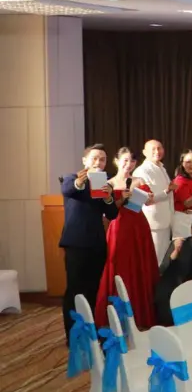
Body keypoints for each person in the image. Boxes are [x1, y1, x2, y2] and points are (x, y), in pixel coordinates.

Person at [95, 146, 160, 328]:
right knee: (119, 264)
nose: (128, 164)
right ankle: (116, 313)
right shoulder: (108, 183)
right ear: (116, 161)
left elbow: (149, 201)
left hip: (138, 226)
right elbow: (105, 210)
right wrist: (122, 199)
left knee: (140, 265)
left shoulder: (139, 180)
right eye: (125, 160)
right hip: (118, 226)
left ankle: (141, 312)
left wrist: (148, 197)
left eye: (132, 161)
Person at [62, 144, 119, 336]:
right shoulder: (72, 178)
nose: (98, 162)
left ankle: (90, 330)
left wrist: (109, 197)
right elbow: (68, 190)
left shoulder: (104, 184)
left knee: (93, 289)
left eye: (102, 159)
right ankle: (73, 334)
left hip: (97, 244)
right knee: (75, 289)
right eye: (94, 158)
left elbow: (112, 214)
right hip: (76, 243)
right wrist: (79, 182)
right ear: (84, 160)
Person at [134, 139, 173, 261]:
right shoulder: (142, 171)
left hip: (165, 220)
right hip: (153, 223)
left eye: (159, 148)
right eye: (153, 149)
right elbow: (144, 199)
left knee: (163, 258)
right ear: (145, 152)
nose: (157, 151)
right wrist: (166, 191)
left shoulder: (161, 167)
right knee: (154, 258)